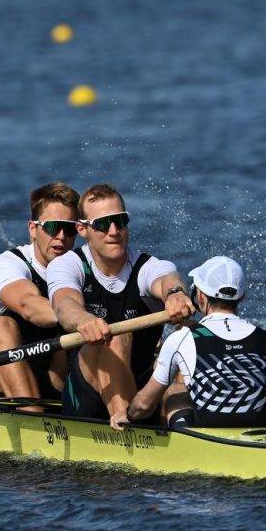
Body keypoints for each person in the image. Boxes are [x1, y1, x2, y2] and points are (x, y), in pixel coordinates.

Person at [47, 183, 195, 428]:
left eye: (120, 221)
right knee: (117, 334)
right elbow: (65, 304)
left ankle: (188, 427)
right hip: (86, 395)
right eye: (103, 224)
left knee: (189, 335)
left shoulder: (147, 266)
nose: (114, 231)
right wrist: (84, 320)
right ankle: (120, 417)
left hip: (143, 391)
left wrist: (175, 294)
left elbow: (167, 279)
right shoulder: (68, 265)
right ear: (83, 229)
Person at [123, 256, 266, 429]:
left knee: (175, 390)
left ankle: (171, 445)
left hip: (203, 438)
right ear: (242, 296)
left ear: (199, 296)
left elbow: (143, 406)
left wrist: (127, 416)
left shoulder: (181, 338)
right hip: (262, 430)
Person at [0, 182, 78, 405]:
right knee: (2, 325)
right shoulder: (9, 264)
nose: (61, 236)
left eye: (69, 229)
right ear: (33, 229)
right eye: (53, 227)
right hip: (3, 379)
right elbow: (27, 304)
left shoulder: (81, 266)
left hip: (55, 374)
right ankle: (31, 417)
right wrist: (82, 318)